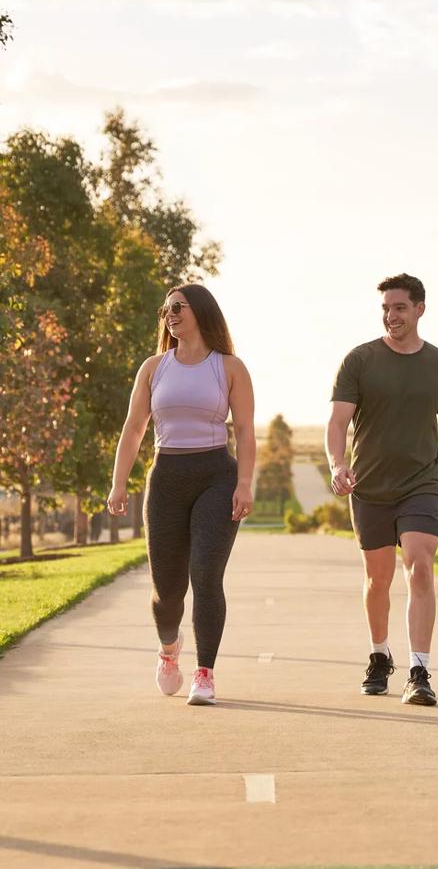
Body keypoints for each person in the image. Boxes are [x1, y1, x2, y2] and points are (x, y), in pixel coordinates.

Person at [107, 283, 255, 706]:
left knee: (206, 576)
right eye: (166, 309)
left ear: (201, 313)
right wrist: (119, 483)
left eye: (179, 307)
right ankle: (169, 649)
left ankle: (205, 673)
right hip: (167, 476)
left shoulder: (229, 367)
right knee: (167, 589)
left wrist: (244, 483)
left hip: (216, 476)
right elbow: (135, 428)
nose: (169, 314)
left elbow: (244, 430)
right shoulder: (154, 367)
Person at [325, 273, 438, 706]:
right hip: (369, 486)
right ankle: (378, 654)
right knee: (378, 578)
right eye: (386, 308)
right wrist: (338, 463)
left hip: (422, 483)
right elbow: (336, 423)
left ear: (420, 308)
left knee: (420, 566)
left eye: (400, 307)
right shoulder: (360, 360)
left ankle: (419, 670)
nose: (391, 315)